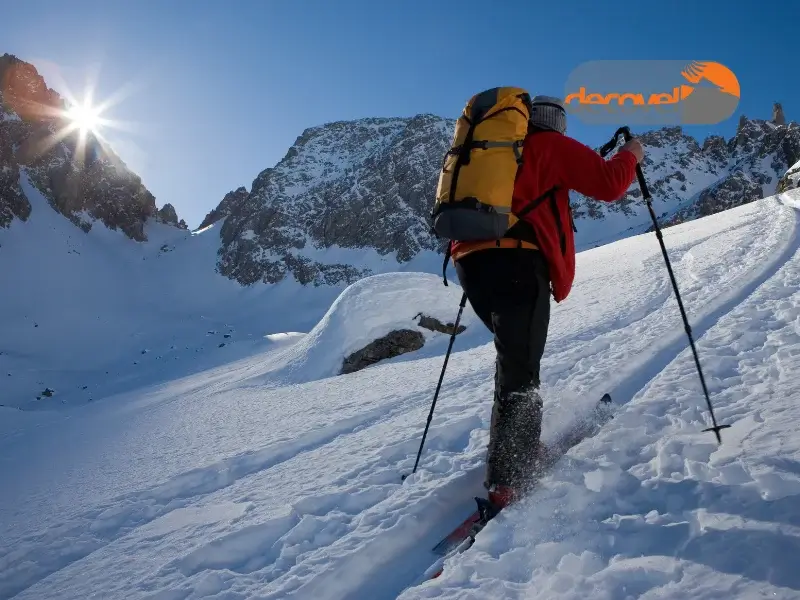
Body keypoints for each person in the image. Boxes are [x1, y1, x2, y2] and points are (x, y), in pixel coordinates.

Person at [450, 95, 644, 515]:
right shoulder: (549, 145)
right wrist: (631, 154)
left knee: (514, 359)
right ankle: (510, 476)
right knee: (520, 366)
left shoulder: (494, 155)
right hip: (518, 263)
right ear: (554, 122)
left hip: (471, 263)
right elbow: (610, 184)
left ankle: (516, 449)